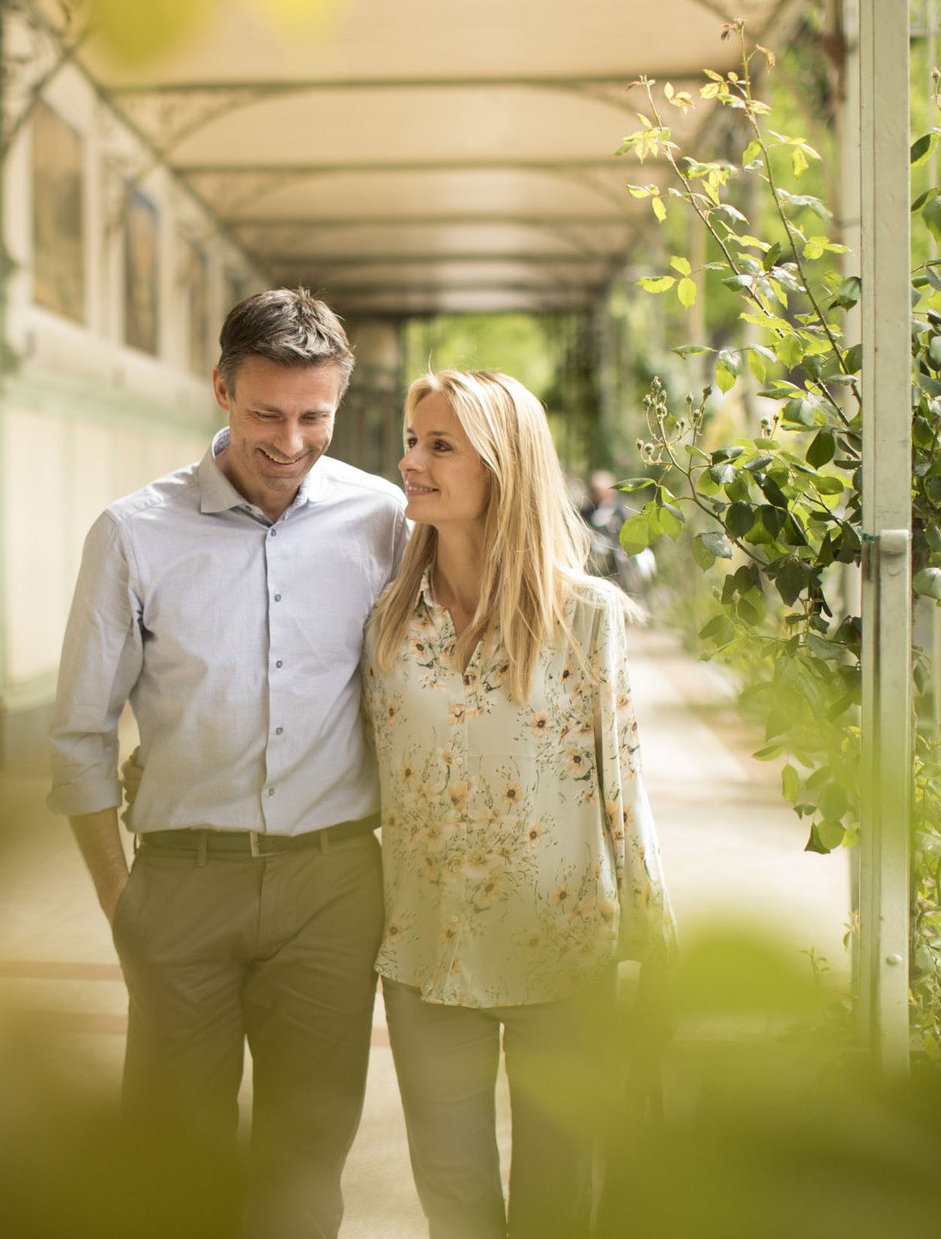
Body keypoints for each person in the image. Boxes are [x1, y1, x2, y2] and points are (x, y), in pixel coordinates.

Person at [47, 288, 407, 1239]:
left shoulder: (384, 521)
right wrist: (123, 905)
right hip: (180, 888)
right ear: (220, 389)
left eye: (313, 416)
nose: (290, 440)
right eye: (266, 414)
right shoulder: (132, 534)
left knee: (305, 1162)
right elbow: (80, 730)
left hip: (333, 888)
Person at [365, 370, 677, 1239]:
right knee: (455, 1203)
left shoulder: (589, 619)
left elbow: (627, 790)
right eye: (412, 441)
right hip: (430, 953)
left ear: (502, 468)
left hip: (567, 955)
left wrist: (659, 947)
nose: (410, 462)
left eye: (439, 446)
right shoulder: (390, 623)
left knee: (558, 1205)